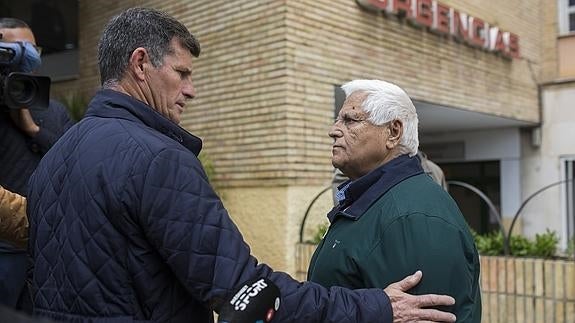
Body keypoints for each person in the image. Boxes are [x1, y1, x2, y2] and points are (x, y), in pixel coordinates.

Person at [27, 8, 457, 323]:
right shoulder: (157, 159)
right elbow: (243, 296)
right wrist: (377, 306)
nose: (191, 90)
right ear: (140, 64)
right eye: (182, 73)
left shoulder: (55, 157)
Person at [308, 80, 482, 322]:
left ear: (393, 132)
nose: (334, 130)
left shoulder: (412, 216)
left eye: (350, 120)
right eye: (338, 119)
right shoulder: (370, 201)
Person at [0, 17, 74, 309]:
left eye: (32, 48)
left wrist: (33, 130)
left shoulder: (54, 110)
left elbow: (74, 162)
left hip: (47, 249)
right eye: (16, 48)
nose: (26, 55)